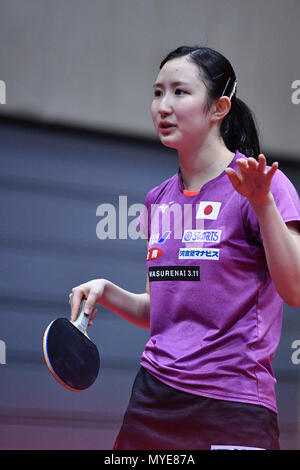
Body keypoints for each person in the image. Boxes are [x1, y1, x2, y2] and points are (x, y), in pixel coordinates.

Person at [69, 46, 300, 450]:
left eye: (180, 92)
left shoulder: (263, 186)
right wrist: (107, 291)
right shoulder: (158, 200)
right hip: (153, 399)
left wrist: (262, 204)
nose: (163, 105)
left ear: (218, 108)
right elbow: (160, 310)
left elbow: (294, 289)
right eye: (158, 93)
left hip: (233, 406)